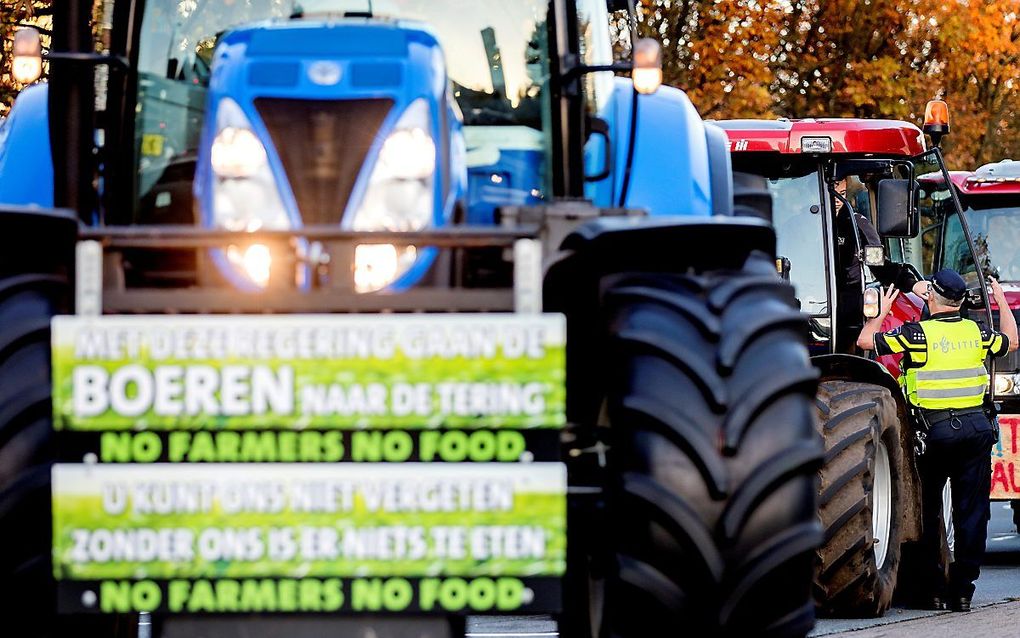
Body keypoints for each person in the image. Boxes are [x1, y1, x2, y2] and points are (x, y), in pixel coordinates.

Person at [857, 269, 1019, 612]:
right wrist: (1001, 300)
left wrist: (881, 311)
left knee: (928, 511)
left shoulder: (916, 335)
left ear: (931, 298)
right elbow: (1011, 341)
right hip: (976, 431)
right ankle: (963, 591)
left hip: (932, 434)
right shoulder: (976, 332)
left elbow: (865, 342)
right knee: (971, 513)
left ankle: (933, 589)